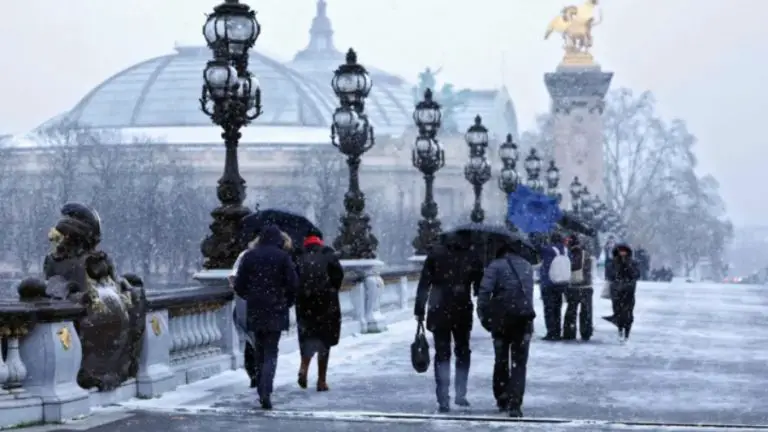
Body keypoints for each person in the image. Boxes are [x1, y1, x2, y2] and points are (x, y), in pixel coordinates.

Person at [414, 234, 483, 413]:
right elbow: (479, 285)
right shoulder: (470, 255)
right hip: (462, 310)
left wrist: (419, 310)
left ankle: (443, 398)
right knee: (462, 351)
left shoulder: (435, 254)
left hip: (439, 310)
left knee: (442, 354)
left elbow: (424, 284)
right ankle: (461, 393)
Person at [233, 225, 299, 409]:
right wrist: (287, 300)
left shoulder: (249, 256)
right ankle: (266, 390)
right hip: (276, 308)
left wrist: (251, 296)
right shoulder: (282, 257)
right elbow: (294, 284)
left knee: (260, 350)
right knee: (271, 351)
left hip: (255, 309)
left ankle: (261, 385)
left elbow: (239, 286)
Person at [477, 243, 535, 418]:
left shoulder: (495, 265)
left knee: (501, 359)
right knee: (519, 363)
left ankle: (502, 397)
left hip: (501, 321)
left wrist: (484, 316)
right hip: (524, 319)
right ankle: (515, 403)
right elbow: (528, 294)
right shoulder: (527, 266)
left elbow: (484, 293)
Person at [295, 234, 344, 392]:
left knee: (307, 337)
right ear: (319, 241)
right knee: (324, 340)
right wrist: (330, 290)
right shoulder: (328, 255)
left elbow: (293, 279)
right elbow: (338, 276)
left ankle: (304, 367)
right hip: (326, 304)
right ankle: (321, 381)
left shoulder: (299, 256)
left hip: (304, 304)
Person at [230, 235, 260, 388]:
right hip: (266, 308)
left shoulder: (244, 256)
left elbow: (233, 279)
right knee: (264, 343)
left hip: (246, 305)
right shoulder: (277, 256)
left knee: (249, 341)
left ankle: (255, 375)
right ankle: (263, 375)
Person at [538, 232, 570, 341]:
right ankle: (557, 331)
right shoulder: (565, 250)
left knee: (549, 309)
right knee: (557, 308)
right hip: (561, 283)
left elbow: (538, 250)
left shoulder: (548, 249)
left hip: (549, 283)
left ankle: (551, 332)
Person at [605, 244, 639, 343]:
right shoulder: (612, 263)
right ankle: (620, 330)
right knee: (618, 312)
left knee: (628, 313)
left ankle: (627, 333)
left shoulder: (633, 263)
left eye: (624, 251)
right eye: (621, 251)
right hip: (616, 292)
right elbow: (610, 276)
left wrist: (628, 266)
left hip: (629, 292)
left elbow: (636, 275)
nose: (623, 253)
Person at [562, 235, 593, 341]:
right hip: (586, 286)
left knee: (571, 311)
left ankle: (569, 332)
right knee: (586, 311)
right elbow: (588, 269)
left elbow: (570, 268)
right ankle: (586, 332)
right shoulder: (586, 253)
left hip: (573, 287)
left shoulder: (569, 254)